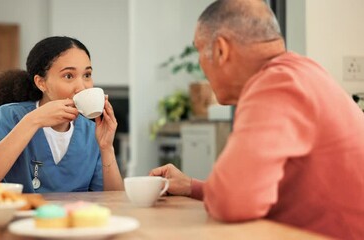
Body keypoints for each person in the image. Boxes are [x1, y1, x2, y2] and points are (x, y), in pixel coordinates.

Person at [149, 0, 364, 239]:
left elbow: (233, 200)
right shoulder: (301, 71)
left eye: (200, 51)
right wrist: (191, 186)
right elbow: (255, 190)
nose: (200, 64)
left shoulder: (275, 85)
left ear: (221, 50)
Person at [0, 36, 124, 193]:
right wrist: (34, 121)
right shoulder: (8, 116)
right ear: (41, 82)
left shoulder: (91, 131)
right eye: (68, 76)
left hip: (73, 219)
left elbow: (115, 200)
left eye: (87, 75)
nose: (82, 87)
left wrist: (106, 148)